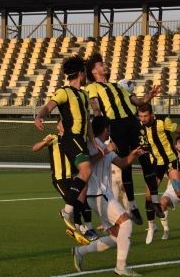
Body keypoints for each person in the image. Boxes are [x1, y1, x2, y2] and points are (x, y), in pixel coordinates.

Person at [85, 52, 163, 225]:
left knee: (145, 160)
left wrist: (149, 96)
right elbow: (96, 108)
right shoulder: (92, 87)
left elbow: (137, 101)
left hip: (133, 123)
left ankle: (155, 201)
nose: (104, 65)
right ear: (93, 71)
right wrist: (103, 128)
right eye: (100, 64)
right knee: (126, 163)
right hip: (116, 126)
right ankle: (133, 207)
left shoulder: (119, 86)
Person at [72, 116, 144, 277]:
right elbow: (87, 164)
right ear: (106, 129)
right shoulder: (91, 145)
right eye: (109, 128)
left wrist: (133, 154)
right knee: (126, 223)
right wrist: (106, 150)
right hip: (98, 194)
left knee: (116, 236)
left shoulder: (105, 146)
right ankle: (120, 267)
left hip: (102, 195)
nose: (110, 131)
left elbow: (122, 163)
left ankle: (80, 251)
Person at [34, 55, 100, 233]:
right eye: (84, 72)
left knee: (83, 183)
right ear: (80, 73)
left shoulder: (84, 94)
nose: (86, 75)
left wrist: (93, 140)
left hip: (82, 139)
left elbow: (86, 119)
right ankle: (68, 211)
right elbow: (49, 106)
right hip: (71, 137)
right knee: (87, 170)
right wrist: (39, 116)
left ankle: (79, 224)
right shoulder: (64, 91)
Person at [137, 103, 180, 244]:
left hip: (171, 161)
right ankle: (151, 227)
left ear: (152, 114)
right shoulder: (139, 127)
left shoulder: (163, 121)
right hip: (156, 164)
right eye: (140, 116)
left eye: (145, 116)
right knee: (148, 195)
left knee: (178, 189)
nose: (143, 119)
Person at [31, 118, 98, 245]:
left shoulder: (71, 140)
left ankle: (78, 228)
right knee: (71, 201)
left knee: (78, 202)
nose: (65, 125)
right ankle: (78, 227)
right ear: (58, 126)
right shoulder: (53, 137)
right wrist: (44, 143)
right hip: (59, 178)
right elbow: (34, 148)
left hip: (71, 177)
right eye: (63, 123)